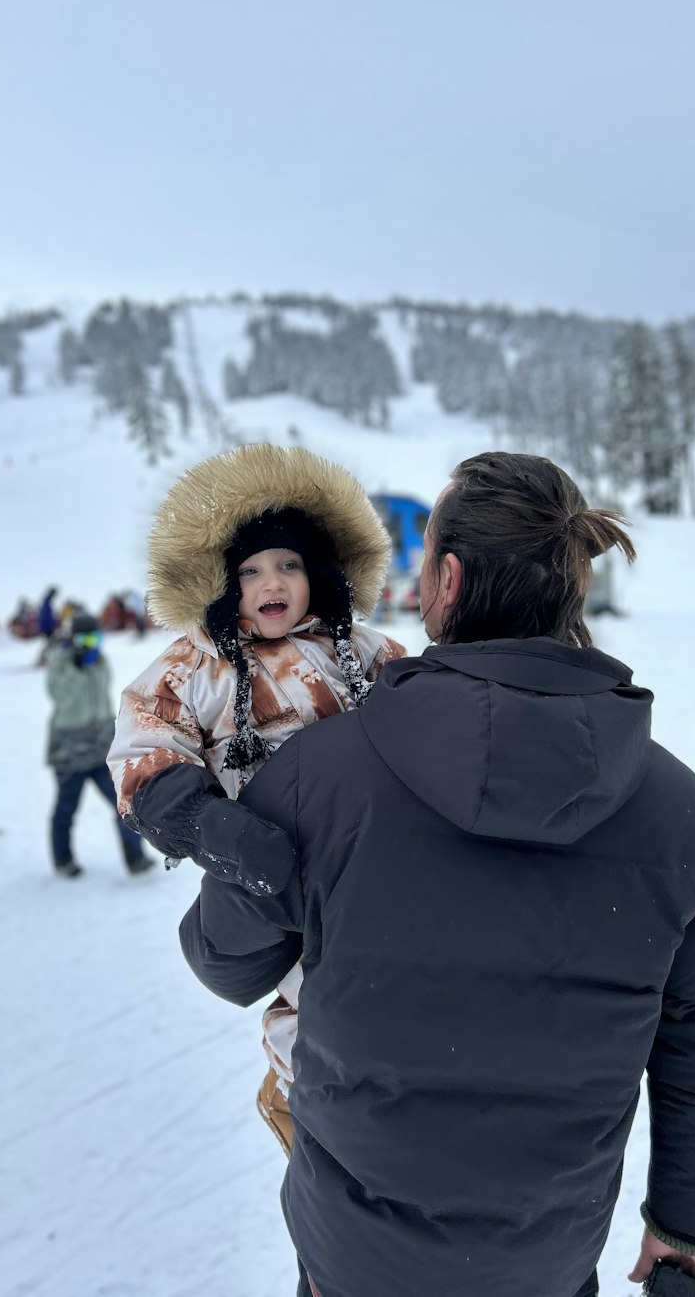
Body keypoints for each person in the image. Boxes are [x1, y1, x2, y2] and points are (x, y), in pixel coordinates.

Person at [176, 452, 695, 1297]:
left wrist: (236, 834)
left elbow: (226, 964)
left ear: (447, 579)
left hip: (354, 1265)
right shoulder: (685, 813)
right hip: (546, 1266)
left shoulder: (320, 775)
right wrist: (689, 1230)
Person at [108, 442, 406, 1153]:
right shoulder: (197, 662)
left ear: (319, 573)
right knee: (311, 998)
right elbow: (146, 744)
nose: (273, 581)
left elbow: (427, 710)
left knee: (381, 985)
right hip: (269, 866)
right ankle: (310, 1121)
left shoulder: (359, 650)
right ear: (222, 582)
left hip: (368, 862)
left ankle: (380, 1126)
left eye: (289, 564)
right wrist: (209, 824)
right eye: (251, 569)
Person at [46, 612, 154, 878]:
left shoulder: (99, 660)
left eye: (96, 638)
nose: (91, 644)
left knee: (124, 803)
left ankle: (135, 858)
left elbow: (103, 693)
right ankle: (63, 860)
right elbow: (61, 696)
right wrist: (75, 667)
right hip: (69, 748)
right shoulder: (59, 663)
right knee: (66, 808)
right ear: (72, 639)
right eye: (85, 639)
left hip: (100, 747)